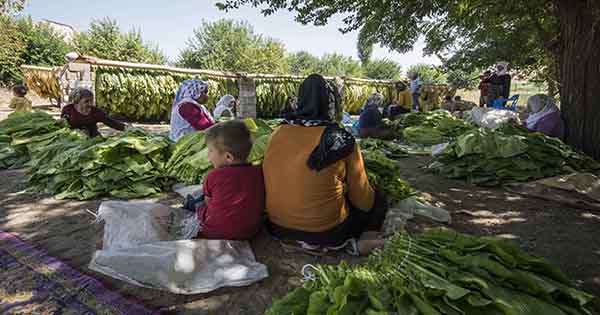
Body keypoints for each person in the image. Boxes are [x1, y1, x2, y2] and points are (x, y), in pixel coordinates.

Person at [262, 74, 388, 256]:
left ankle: (301, 241)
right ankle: (356, 242)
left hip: (277, 227)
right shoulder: (340, 138)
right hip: (326, 233)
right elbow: (364, 200)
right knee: (378, 201)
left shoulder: (277, 132)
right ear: (331, 102)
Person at [185, 120, 265, 240]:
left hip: (214, 233)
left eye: (210, 151)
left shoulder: (213, 175)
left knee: (196, 201)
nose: (208, 156)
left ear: (228, 157)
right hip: (250, 232)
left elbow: (208, 202)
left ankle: (189, 203)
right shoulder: (259, 172)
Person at [61, 87, 125, 137]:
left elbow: (111, 122)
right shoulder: (68, 109)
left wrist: (126, 128)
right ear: (77, 101)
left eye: (91, 101)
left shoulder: (95, 111)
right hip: (73, 139)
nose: (90, 104)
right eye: (86, 101)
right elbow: (63, 126)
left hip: (93, 139)